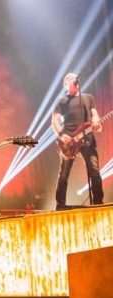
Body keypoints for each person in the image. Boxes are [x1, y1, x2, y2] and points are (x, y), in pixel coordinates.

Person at [52, 72, 104, 210]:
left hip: (87, 139)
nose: (73, 80)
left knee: (95, 171)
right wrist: (61, 134)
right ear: (65, 85)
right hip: (69, 141)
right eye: (69, 79)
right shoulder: (62, 100)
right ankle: (60, 204)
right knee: (64, 174)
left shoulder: (88, 98)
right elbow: (54, 121)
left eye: (74, 78)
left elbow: (94, 114)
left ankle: (99, 203)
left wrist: (96, 122)